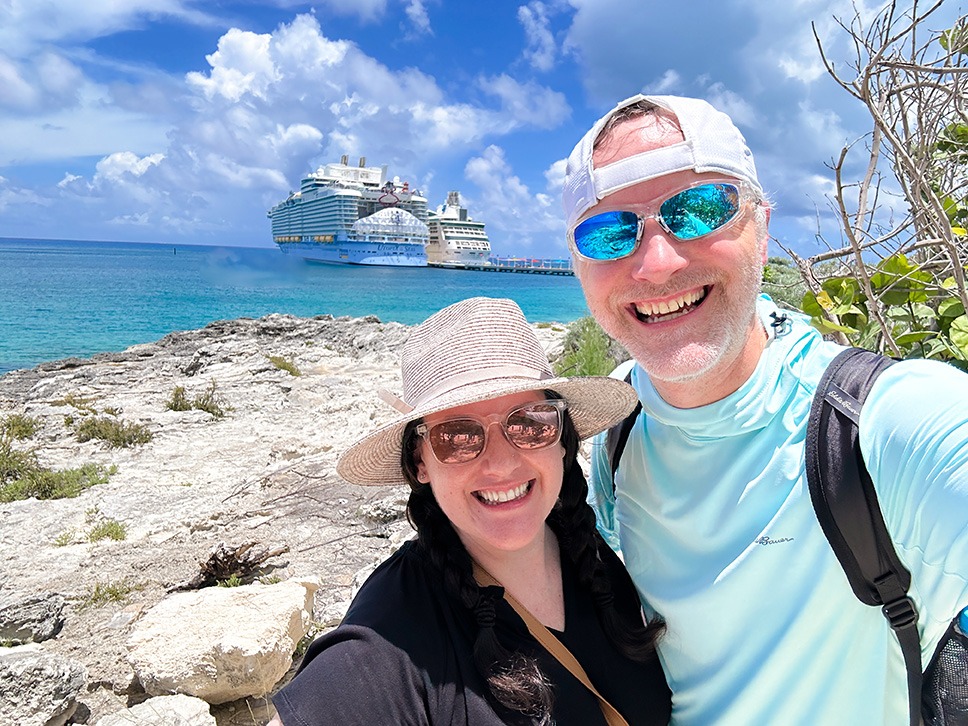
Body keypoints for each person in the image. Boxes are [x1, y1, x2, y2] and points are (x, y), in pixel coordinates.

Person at [562, 93, 968, 724]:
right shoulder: (617, 424)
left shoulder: (883, 421)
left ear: (762, 224)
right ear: (579, 266)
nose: (655, 263)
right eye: (609, 232)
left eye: (696, 211)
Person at [270, 297, 671, 726]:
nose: (500, 464)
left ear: (561, 437)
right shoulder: (392, 634)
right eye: (457, 436)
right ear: (420, 461)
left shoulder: (588, 553)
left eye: (530, 423)